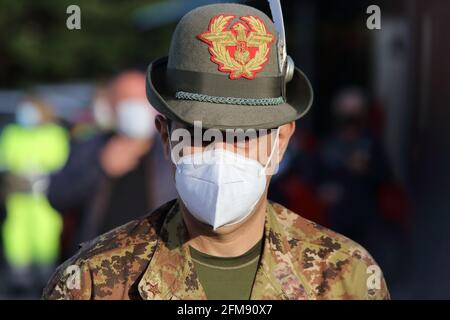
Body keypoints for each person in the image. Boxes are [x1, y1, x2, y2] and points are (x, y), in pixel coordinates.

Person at [43, 3, 389, 300]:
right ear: (166, 138)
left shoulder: (346, 276)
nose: (222, 153)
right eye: (200, 133)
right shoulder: (90, 282)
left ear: (281, 141)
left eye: (244, 135)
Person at [47, 71, 176, 256]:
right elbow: (57, 196)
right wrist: (101, 169)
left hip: (156, 263)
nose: (135, 106)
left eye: (141, 98)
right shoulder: (88, 147)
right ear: (111, 104)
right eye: (126, 99)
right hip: (97, 265)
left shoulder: (171, 152)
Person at [0, 96, 69, 296]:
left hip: (44, 200)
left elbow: (61, 164)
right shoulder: (12, 133)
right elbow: (4, 161)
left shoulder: (55, 134)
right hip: (17, 199)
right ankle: (19, 280)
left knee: (46, 238)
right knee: (15, 237)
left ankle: (47, 280)